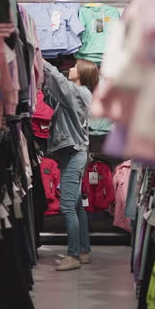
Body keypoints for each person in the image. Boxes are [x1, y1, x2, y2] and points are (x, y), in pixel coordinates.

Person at [43, 58, 99, 271]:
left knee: (66, 206)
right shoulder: (73, 95)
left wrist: (41, 60)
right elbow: (53, 95)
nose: (71, 68)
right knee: (76, 206)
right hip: (71, 154)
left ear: (83, 73)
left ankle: (73, 256)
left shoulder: (80, 93)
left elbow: (59, 82)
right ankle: (83, 250)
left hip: (74, 154)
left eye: (75, 66)